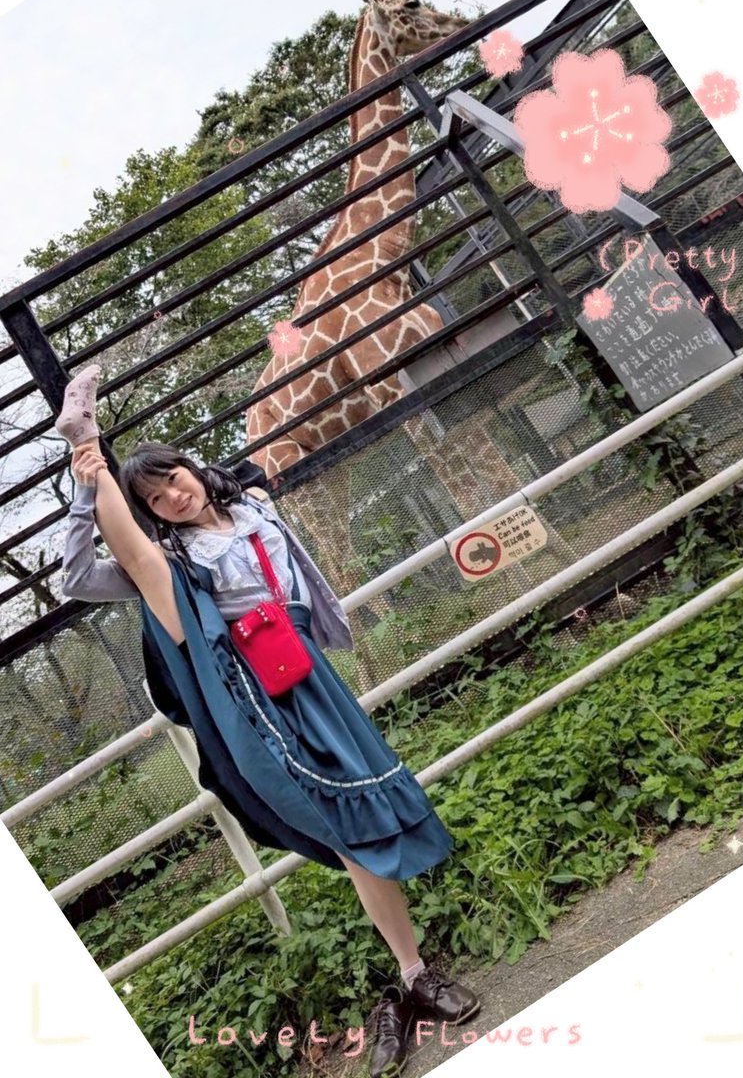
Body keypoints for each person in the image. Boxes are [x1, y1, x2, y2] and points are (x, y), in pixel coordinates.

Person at [55, 364, 480, 1077]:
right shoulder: (173, 553)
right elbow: (77, 578)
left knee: (361, 831)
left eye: (173, 479)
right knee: (345, 828)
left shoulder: (254, 506)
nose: (172, 496)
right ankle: (85, 440)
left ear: (193, 466)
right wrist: (84, 486)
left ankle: (411, 977)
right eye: (154, 498)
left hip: (307, 671)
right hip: (245, 679)